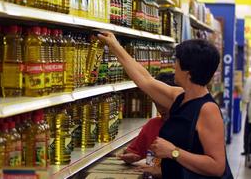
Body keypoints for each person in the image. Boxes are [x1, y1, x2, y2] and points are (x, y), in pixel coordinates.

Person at [98, 32, 231, 178]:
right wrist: (115, 46)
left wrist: (173, 152)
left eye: (177, 62)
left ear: (188, 72)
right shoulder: (180, 97)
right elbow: (145, 79)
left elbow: (217, 166)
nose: (174, 66)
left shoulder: (207, 110)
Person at [241, 76, 251, 155]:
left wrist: (246, 101)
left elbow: (245, 97)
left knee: (248, 131)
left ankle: (247, 151)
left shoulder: (249, 79)